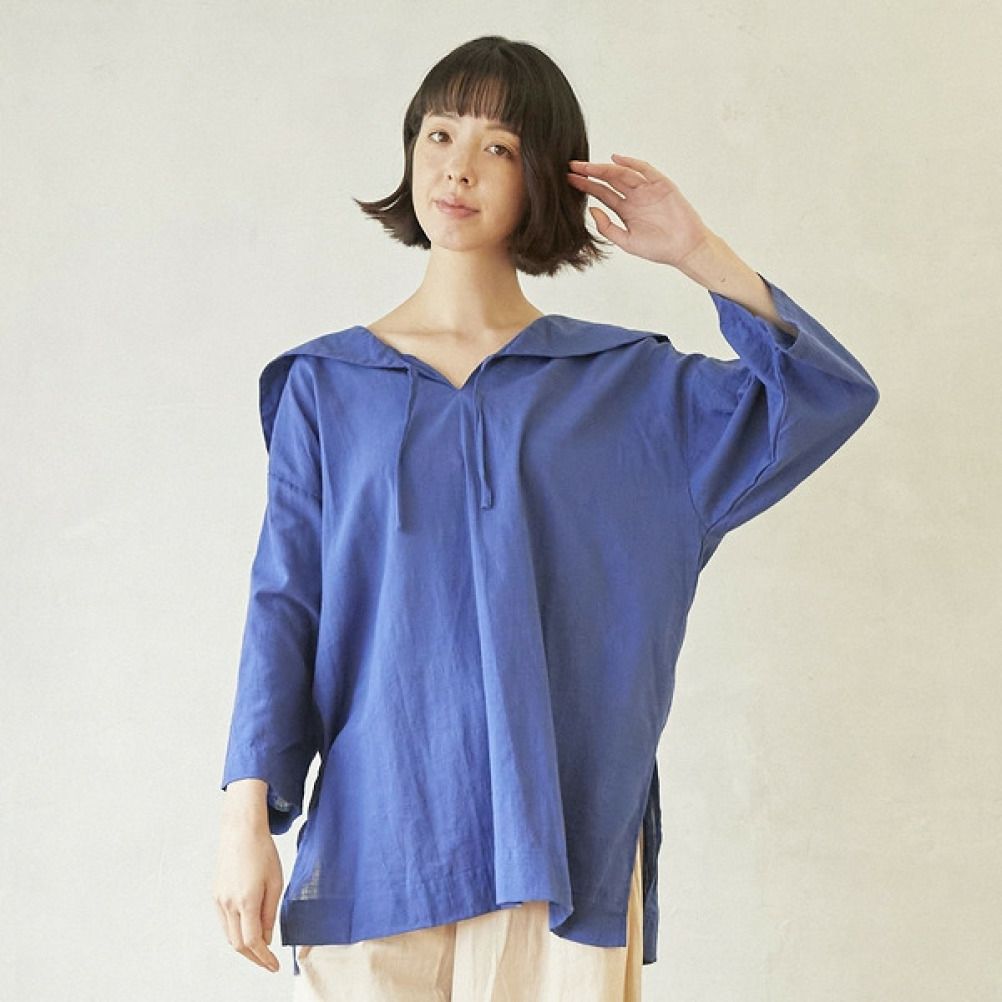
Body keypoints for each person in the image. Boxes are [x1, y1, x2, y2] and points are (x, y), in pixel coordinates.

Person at [212, 34, 879, 1001]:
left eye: (500, 146)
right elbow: (285, 608)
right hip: (376, 842)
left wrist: (697, 253)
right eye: (440, 133)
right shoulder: (327, 387)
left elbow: (823, 396)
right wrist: (245, 823)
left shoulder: (628, 390)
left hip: (562, 849)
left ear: (545, 179)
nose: (458, 166)